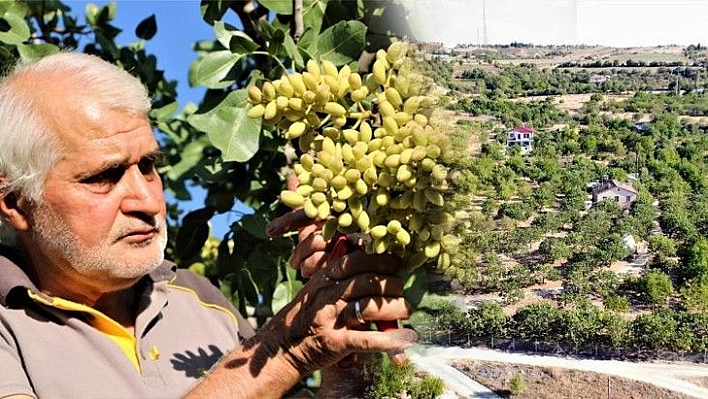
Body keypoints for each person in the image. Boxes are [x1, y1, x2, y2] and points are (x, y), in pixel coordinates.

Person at [0, 51, 417, 398]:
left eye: (148, 165)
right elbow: (281, 357)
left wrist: (346, 357)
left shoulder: (197, 298)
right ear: (15, 203)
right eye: (103, 178)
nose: (147, 200)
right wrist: (286, 349)